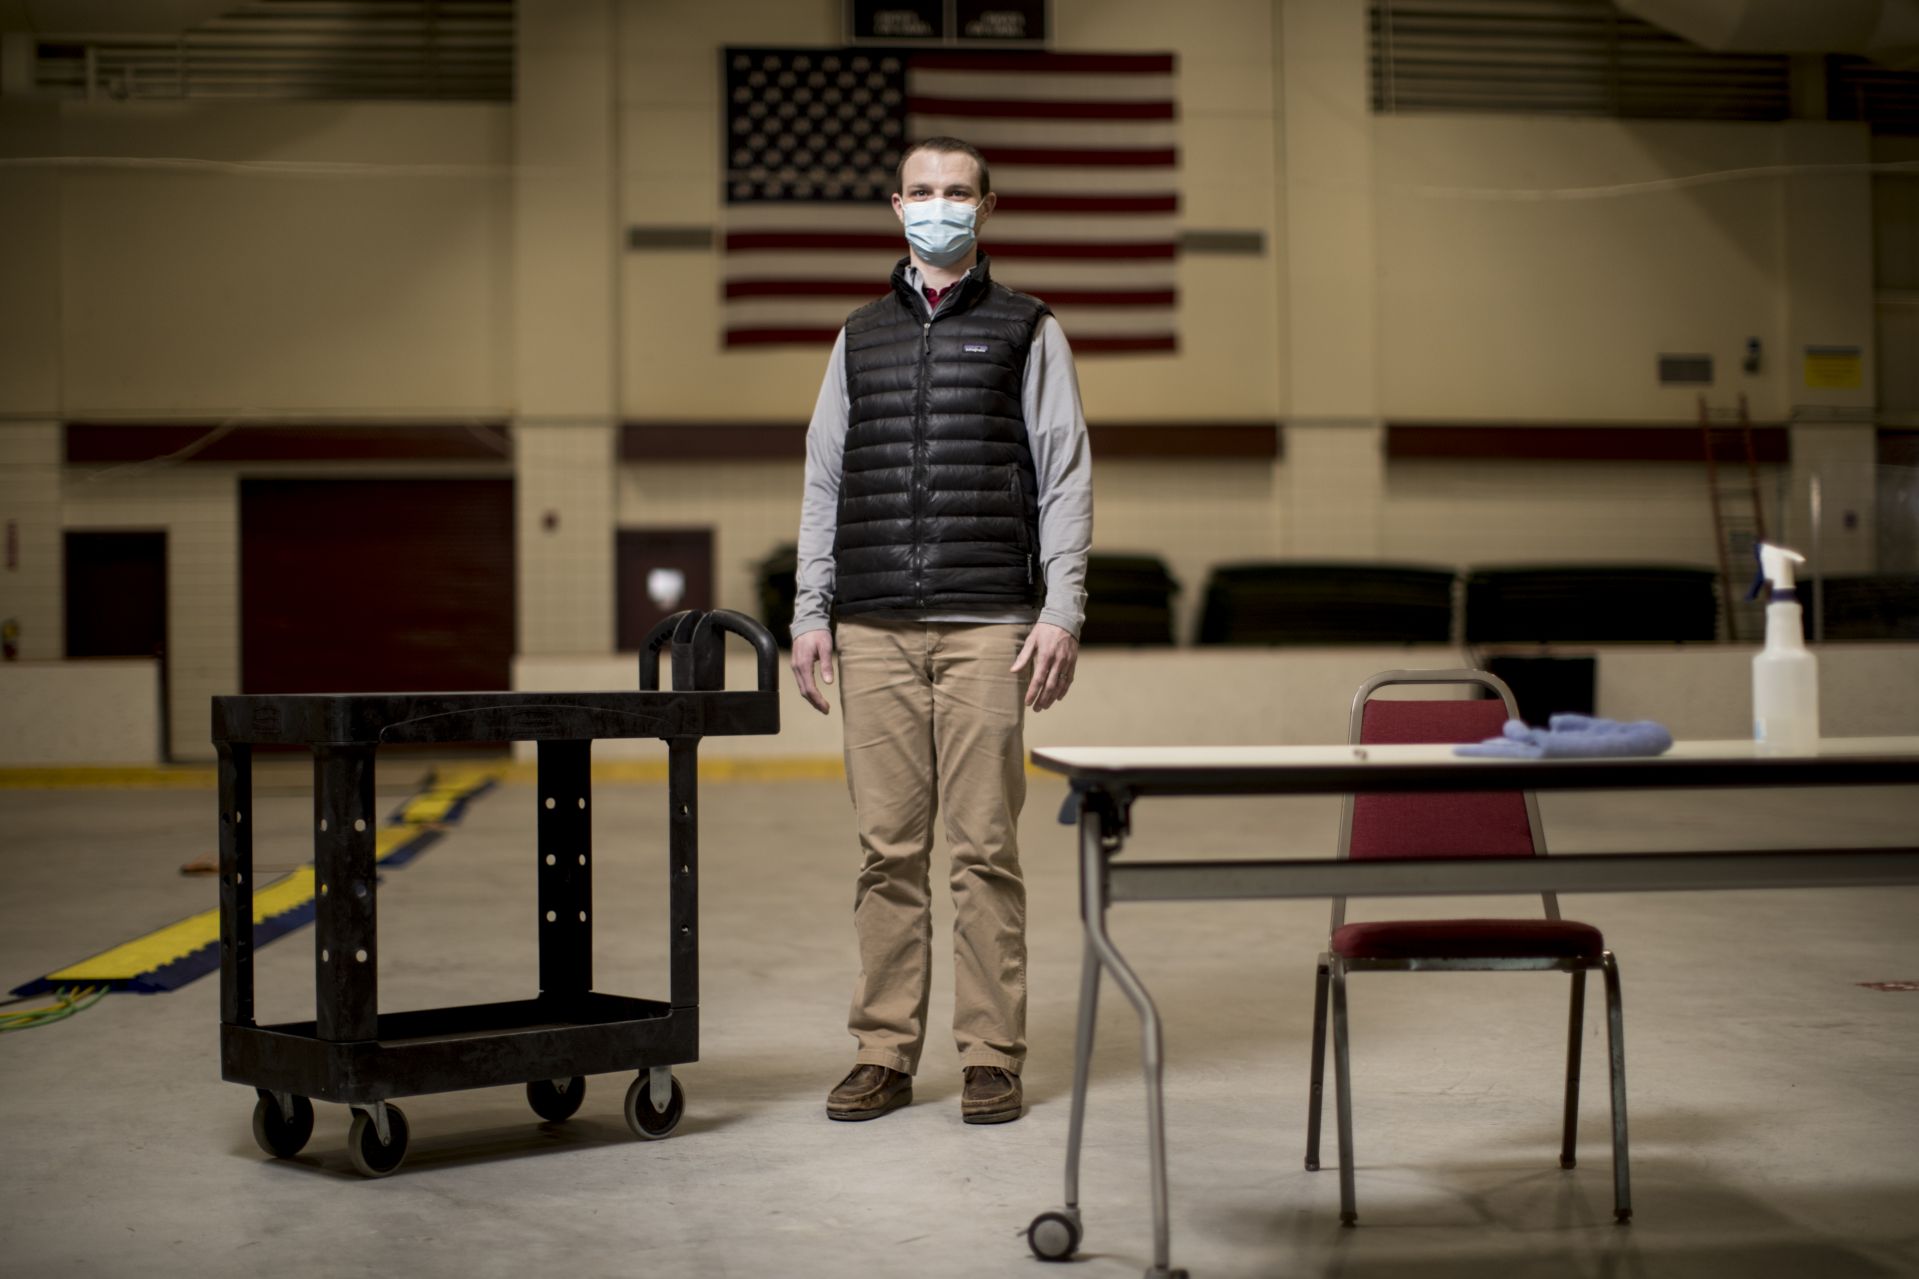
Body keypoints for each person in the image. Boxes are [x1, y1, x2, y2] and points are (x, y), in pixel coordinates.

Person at [789, 136, 1092, 1125]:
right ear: (894, 204)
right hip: (872, 625)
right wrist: (809, 609)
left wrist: (1060, 607)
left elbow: (1064, 473)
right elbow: (824, 479)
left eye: (955, 191)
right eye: (921, 191)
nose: (937, 205)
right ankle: (881, 1050)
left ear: (986, 206)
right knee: (886, 852)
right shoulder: (856, 337)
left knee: (982, 850)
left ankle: (989, 1053)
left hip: (987, 624)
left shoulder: (1027, 329)